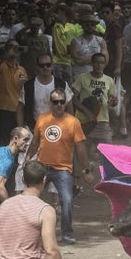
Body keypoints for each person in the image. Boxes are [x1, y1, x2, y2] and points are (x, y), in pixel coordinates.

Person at [26, 89, 91, 244]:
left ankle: (67, 234)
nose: (59, 105)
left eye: (62, 101)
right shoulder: (42, 119)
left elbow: (81, 148)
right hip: (42, 167)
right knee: (31, 197)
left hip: (63, 169)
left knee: (67, 200)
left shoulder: (73, 122)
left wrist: (86, 171)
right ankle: (29, 232)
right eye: (56, 102)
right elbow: (35, 142)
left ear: (65, 103)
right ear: (51, 103)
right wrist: (28, 159)